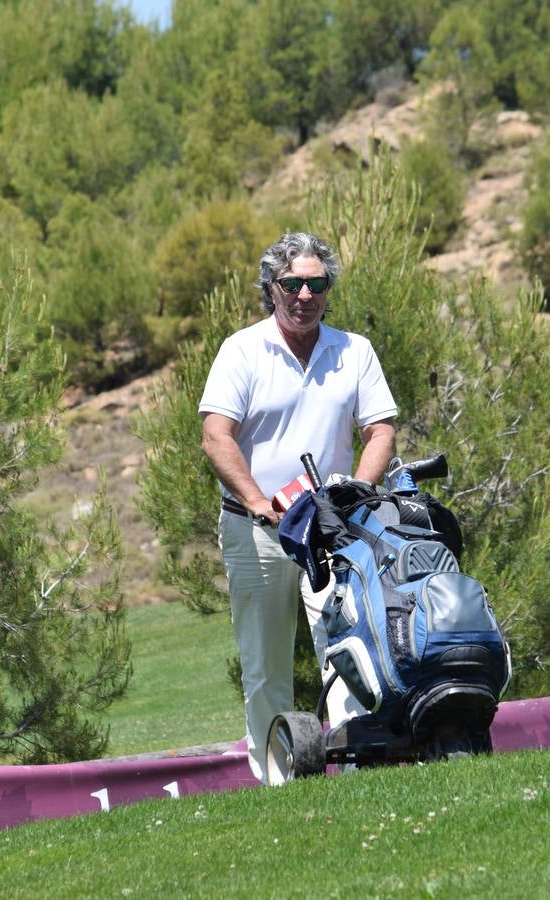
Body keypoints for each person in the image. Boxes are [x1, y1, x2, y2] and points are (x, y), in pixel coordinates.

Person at [198, 232, 397, 783]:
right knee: (266, 667)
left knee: (350, 652)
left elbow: (380, 431)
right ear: (271, 288)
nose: (305, 295)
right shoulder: (242, 350)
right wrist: (258, 502)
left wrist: (355, 493)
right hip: (257, 531)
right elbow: (216, 436)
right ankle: (280, 784)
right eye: (292, 284)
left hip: (332, 530)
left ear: (328, 289)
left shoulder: (354, 350)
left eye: (316, 283)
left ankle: (357, 775)